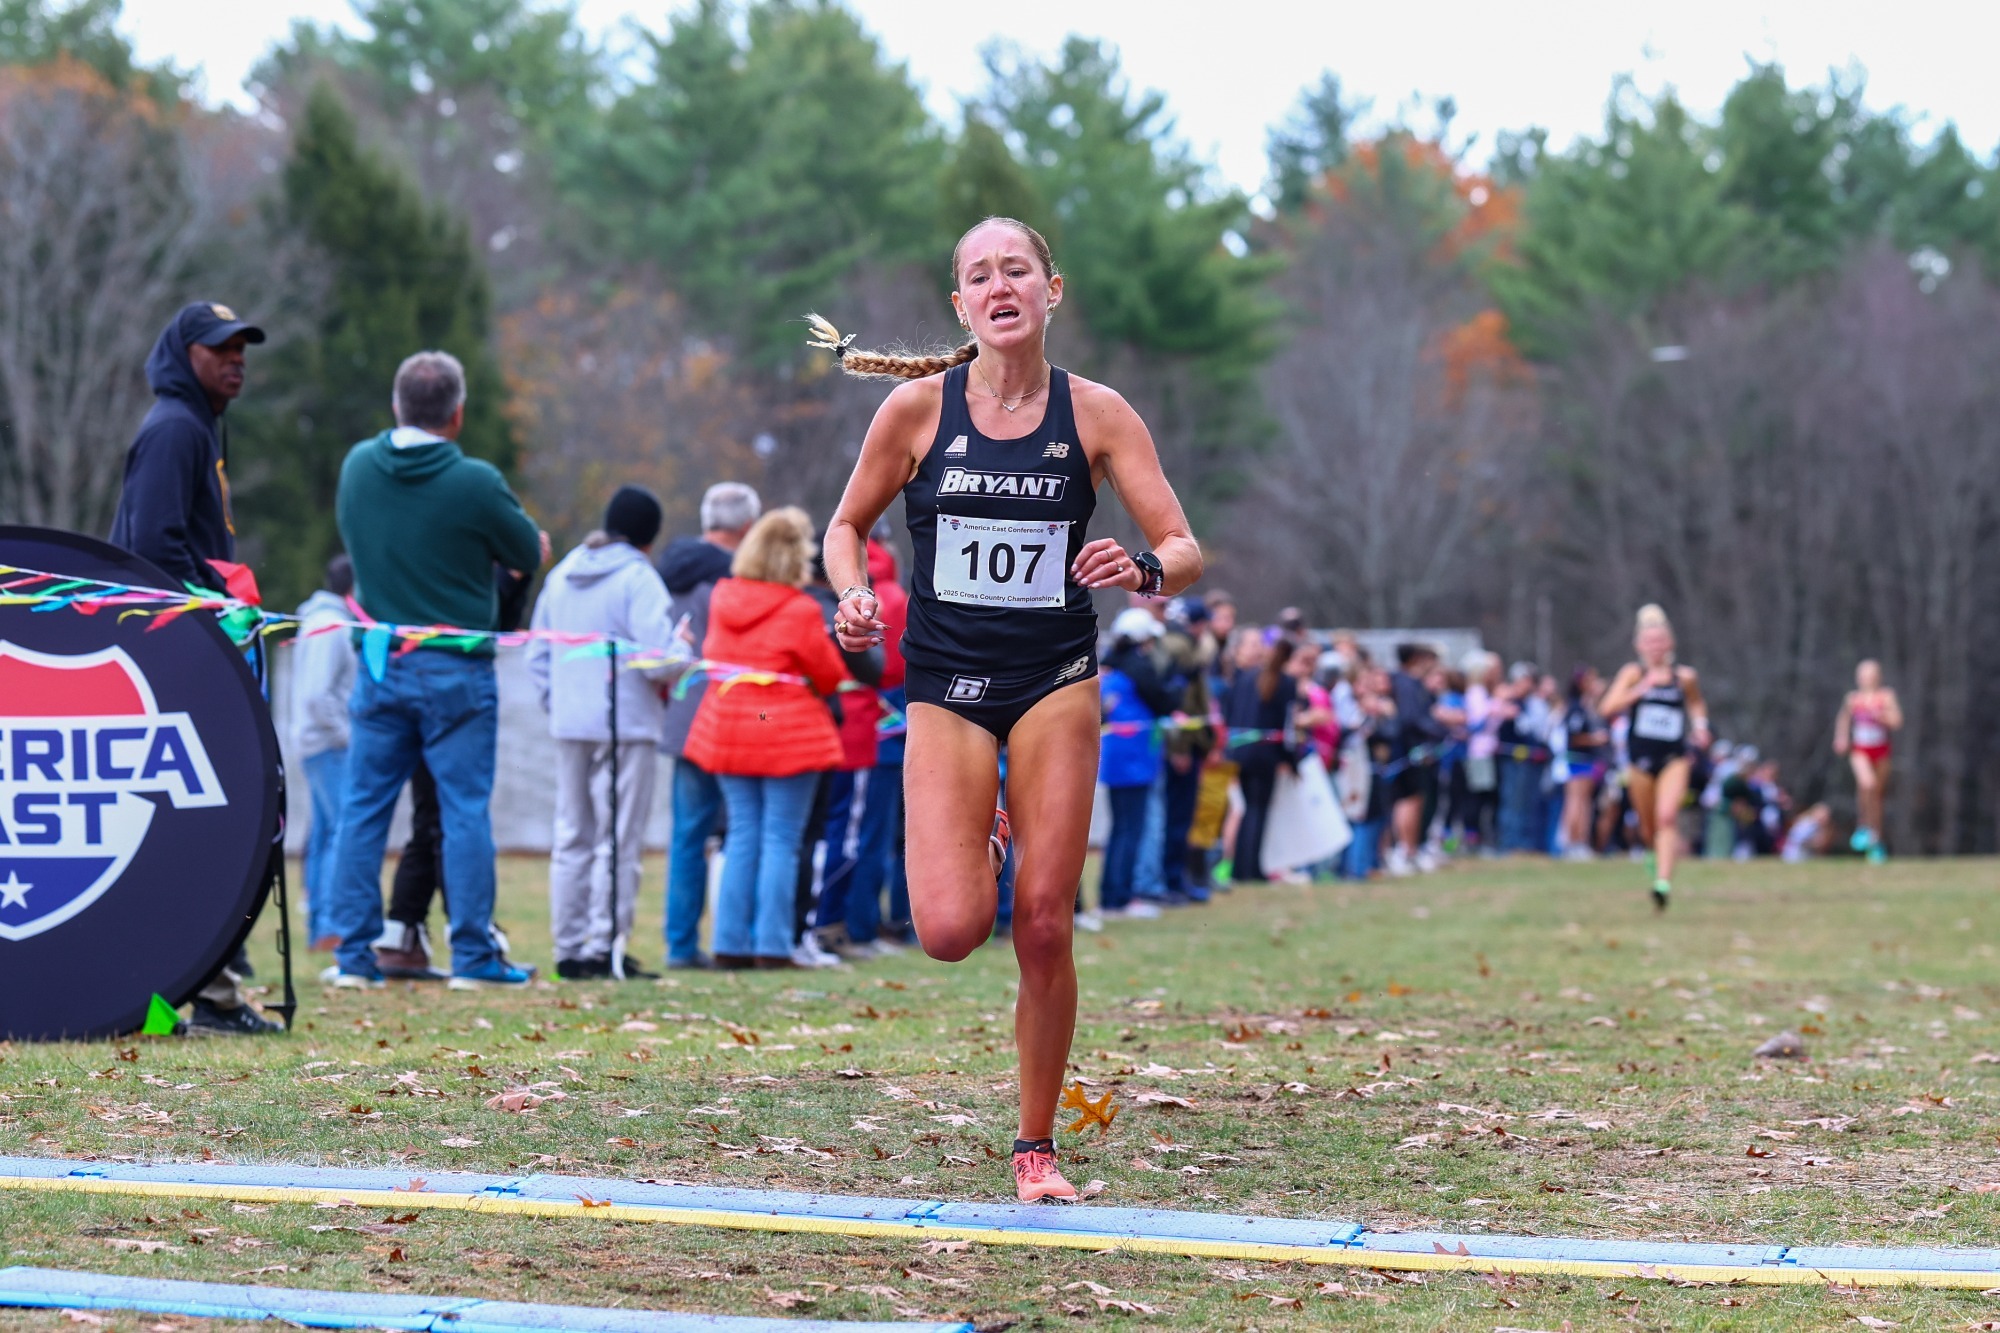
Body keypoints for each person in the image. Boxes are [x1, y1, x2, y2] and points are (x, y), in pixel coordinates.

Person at [812, 216, 1202, 1203]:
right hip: (945, 684)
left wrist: (1142, 568)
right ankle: (986, 824)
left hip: (1055, 678)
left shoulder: (1097, 413)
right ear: (961, 305)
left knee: (1042, 921)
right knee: (949, 929)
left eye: (1016, 270)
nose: (1000, 286)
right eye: (979, 275)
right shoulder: (915, 411)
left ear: (1049, 290)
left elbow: (1183, 546)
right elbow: (844, 526)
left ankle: (1035, 1145)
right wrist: (851, 595)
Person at [324, 350, 546, 989]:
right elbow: (526, 551)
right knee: (463, 812)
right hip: (455, 669)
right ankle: (474, 957)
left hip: (381, 660)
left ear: (396, 405)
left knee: (363, 811)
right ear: (458, 413)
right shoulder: (474, 481)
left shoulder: (358, 466)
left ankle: (354, 958)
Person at [109, 300, 280, 1036]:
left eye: (242, 347)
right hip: (177, 659)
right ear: (186, 356)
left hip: (186, 654)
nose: (236, 359)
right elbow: (153, 548)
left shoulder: (196, 427)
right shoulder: (177, 428)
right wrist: (217, 608)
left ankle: (202, 989)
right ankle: (203, 993)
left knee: (203, 822)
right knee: (203, 824)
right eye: (220, 348)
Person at [681, 508, 850, 969]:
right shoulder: (800, 609)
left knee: (741, 834)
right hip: (787, 732)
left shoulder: (722, 597)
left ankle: (729, 943)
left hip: (731, 727)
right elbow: (829, 675)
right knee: (781, 838)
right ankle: (773, 945)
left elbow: (712, 654)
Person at [527, 485, 682, 981]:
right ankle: (603, 947)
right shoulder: (638, 578)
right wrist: (683, 649)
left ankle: (569, 948)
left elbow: (537, 654)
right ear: (648, 539)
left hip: (572, 723)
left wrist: (560, 704)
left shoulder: (561, 575)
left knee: (572, 835)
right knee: (618, 839)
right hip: (626, 724)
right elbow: (658, 660)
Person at [656, 482, 761, 969]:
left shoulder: (670, 574)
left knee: (687, 835)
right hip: (729, 714)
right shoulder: (735, 579)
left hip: (681, 715)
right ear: (747, 526)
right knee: (744, 828)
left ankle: (679, 944)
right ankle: (737, 939)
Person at [1599, 604, 1710, 911]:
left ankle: (1663, 883)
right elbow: (1607, 708)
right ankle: (1651, 851)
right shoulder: (1633, 674)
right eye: (1649, 641)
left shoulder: (1684, 677)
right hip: (1639, 761)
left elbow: (1696, 704)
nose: (1655, 647)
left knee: (1667, 817)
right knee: (1648, 826)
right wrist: (1638, 691)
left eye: (1660, 641)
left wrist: (1700, 726)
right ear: (1639, 645)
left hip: (1674, 758)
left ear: (1670, 643)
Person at [294, 554, 357, 951]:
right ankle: (332, 925)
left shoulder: (316, 620)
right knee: (340, 833)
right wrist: (345, 734)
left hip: (314, 743)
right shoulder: (332, 627)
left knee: (322, 833)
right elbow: (318, 695)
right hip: (328, 746)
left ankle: (321, 925)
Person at [1098, 608, 1173, 917]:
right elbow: (1163, 700)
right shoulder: (1138, 667)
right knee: (1131, 827)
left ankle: (1111, 894)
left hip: (1116, 757)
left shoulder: (1111, 667)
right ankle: (1121, 897)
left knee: (1120, 828)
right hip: (1134, 759)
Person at [1223, 635, 1299, 885]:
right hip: (1265, 755)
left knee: (1244, 809)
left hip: (1238, 752)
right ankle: (1251, 868)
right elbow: (1287, 726)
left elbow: (1230, 713)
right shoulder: (1285, 682)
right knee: (1258, 809)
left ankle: (1239, 867)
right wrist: (1291, 760)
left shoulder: (1245, 678)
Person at [1833, 659, 1902, 863]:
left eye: (1871, 675)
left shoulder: (1886, 696)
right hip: (1860, 750)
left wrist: (1882, 717)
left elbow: (1897, 721)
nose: (1867, 679)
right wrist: (1841, 738)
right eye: (1863, 675)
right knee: (1867, 784)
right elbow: (1843, 718)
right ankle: (1862, 825)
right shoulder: (1853, 698)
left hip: (1881, 751)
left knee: (1877, 796)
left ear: (1878, 677)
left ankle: (1875, 839)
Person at [1385, 644, 1445, 876]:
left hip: (1410, 748)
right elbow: (1412, 718)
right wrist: (1438, 729)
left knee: (1415, 800)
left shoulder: (1406, 683)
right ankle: (1404, 850)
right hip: (1408, 750)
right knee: (1409, 800)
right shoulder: (1407, 684)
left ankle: (1410, 850)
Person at [1555, 666, 1610, 860]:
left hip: (1586, 760)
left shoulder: (1586, 706)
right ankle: (1573, 842)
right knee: (1576, 801)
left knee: (1583, 802)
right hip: (1578, 759)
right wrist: (1595, 739)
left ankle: (1580, 842)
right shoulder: (1575, 707)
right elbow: (1573, 736)